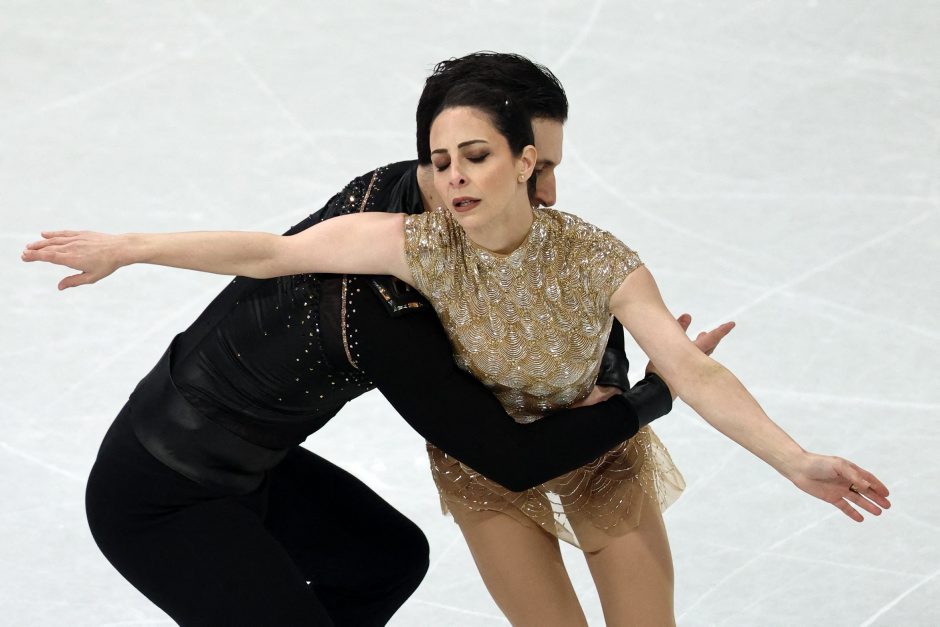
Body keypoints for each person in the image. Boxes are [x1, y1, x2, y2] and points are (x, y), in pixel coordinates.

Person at [23, 78, 891, 626]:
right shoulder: (398, 263)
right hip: (175, 488)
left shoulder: (576, 249)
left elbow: (679, 357)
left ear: (524, 158)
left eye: (488, 157)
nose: (465, 176)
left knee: (387, 560)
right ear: (431, 170)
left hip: (276, 467)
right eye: (446, 161)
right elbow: (270, 252)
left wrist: (794, 458)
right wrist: (130, 246)